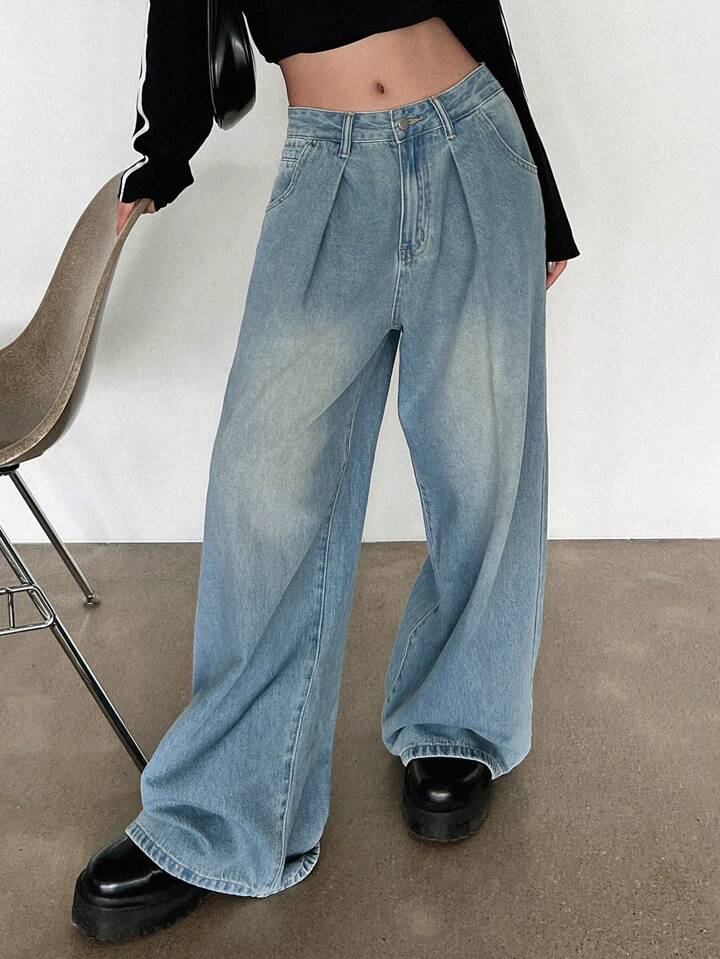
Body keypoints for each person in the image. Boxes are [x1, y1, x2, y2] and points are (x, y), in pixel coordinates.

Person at [72, 0, 580, 943]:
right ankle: (222, 812)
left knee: (485, 465)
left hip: (473, 140)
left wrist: (543, 195)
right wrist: (162, 150)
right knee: (261, 492)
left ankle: (458, 723)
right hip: (327, 170)